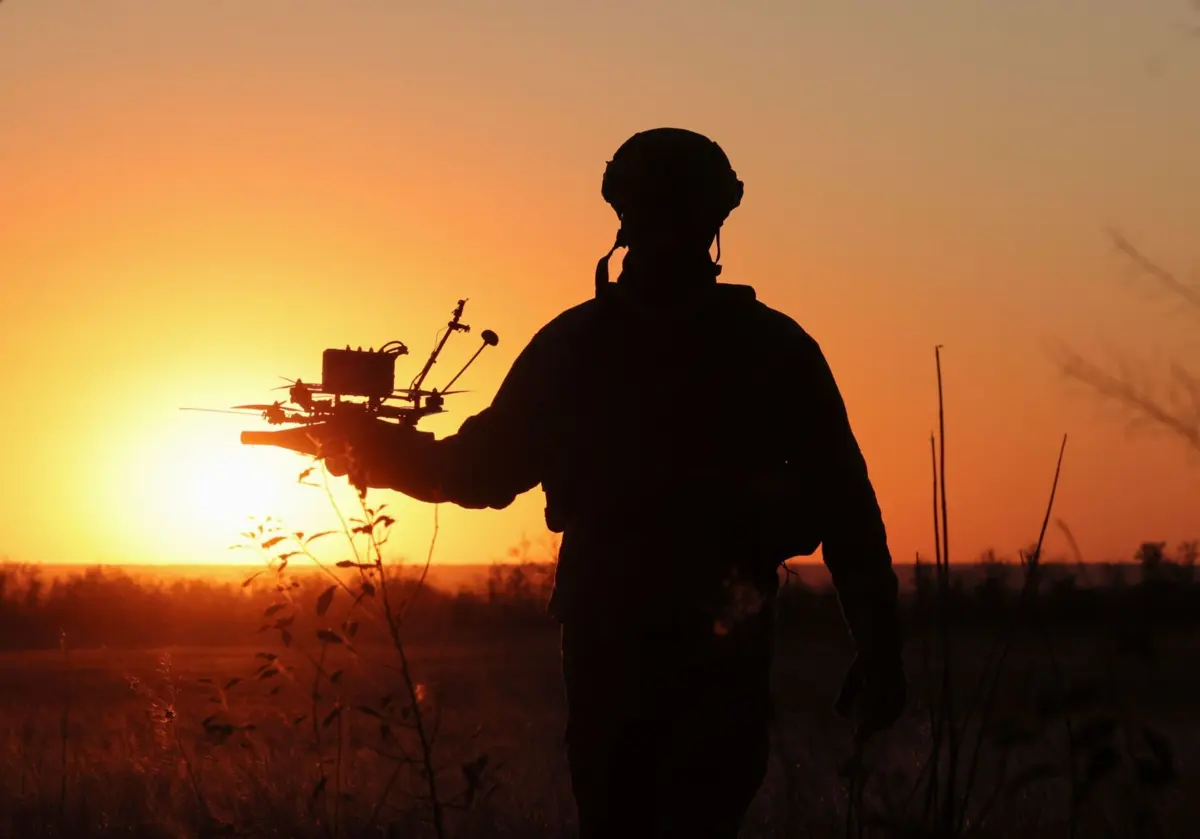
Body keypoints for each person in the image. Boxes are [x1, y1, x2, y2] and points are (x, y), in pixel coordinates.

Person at [298, 127, 906, 837]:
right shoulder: (769, 346)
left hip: (633, 639)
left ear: (622, 212)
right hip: (699, 639)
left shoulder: (582, 345)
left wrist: (374, 451)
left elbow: (480, 472)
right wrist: (882, 648)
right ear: (721, 218)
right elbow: (848, 508)